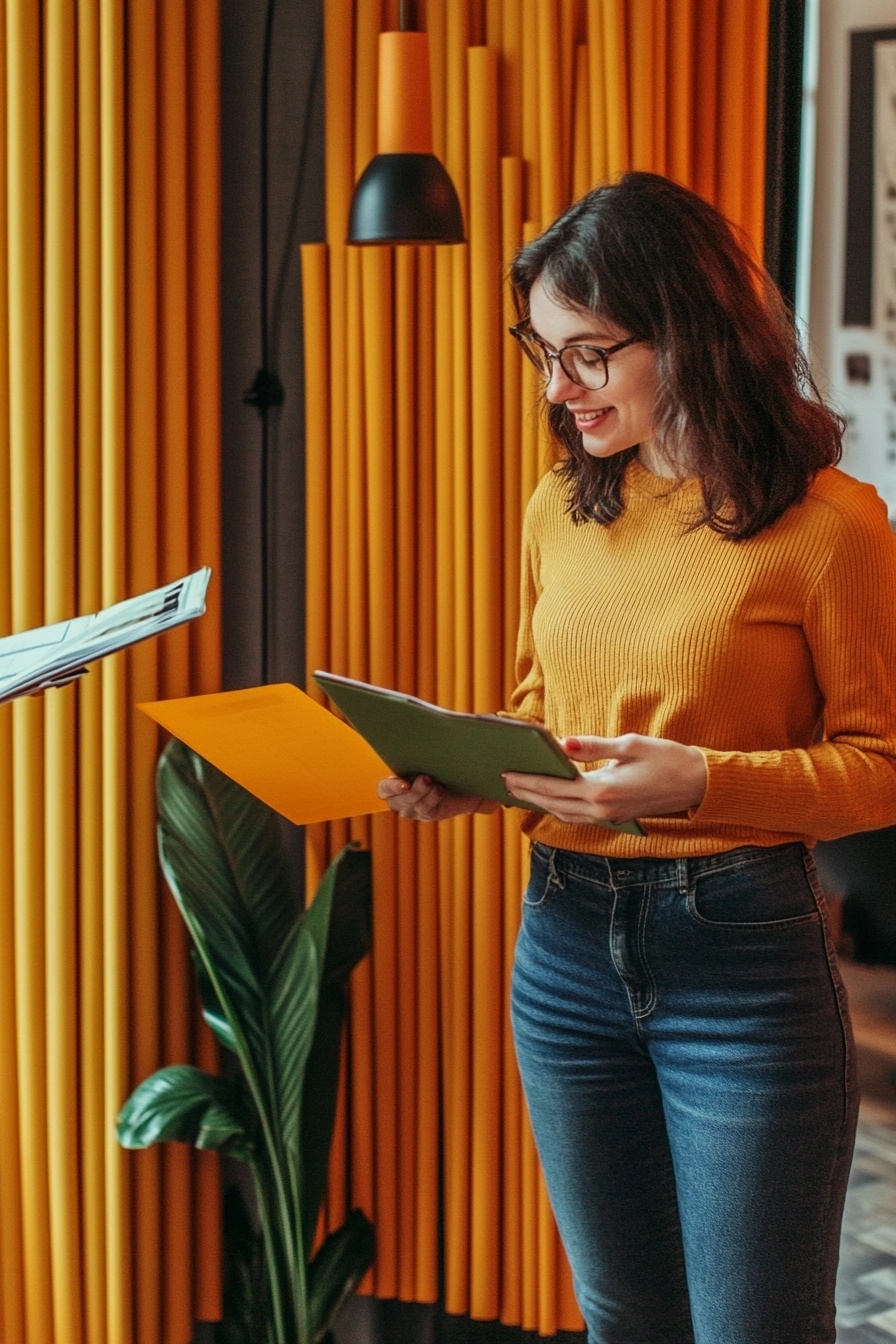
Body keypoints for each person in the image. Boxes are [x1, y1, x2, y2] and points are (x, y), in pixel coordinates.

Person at [377, 171, 896, 1344]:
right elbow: (537, 708)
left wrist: (702, 780)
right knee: (624, 1318)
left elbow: (878, 764)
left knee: (752, 1327)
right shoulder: (558, 506)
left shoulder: (829, 524)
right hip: (559, 947)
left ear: (692, 335)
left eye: (588, 354)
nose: (557, 390)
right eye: (540, 351)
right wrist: (463, 770)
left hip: (740, 964)